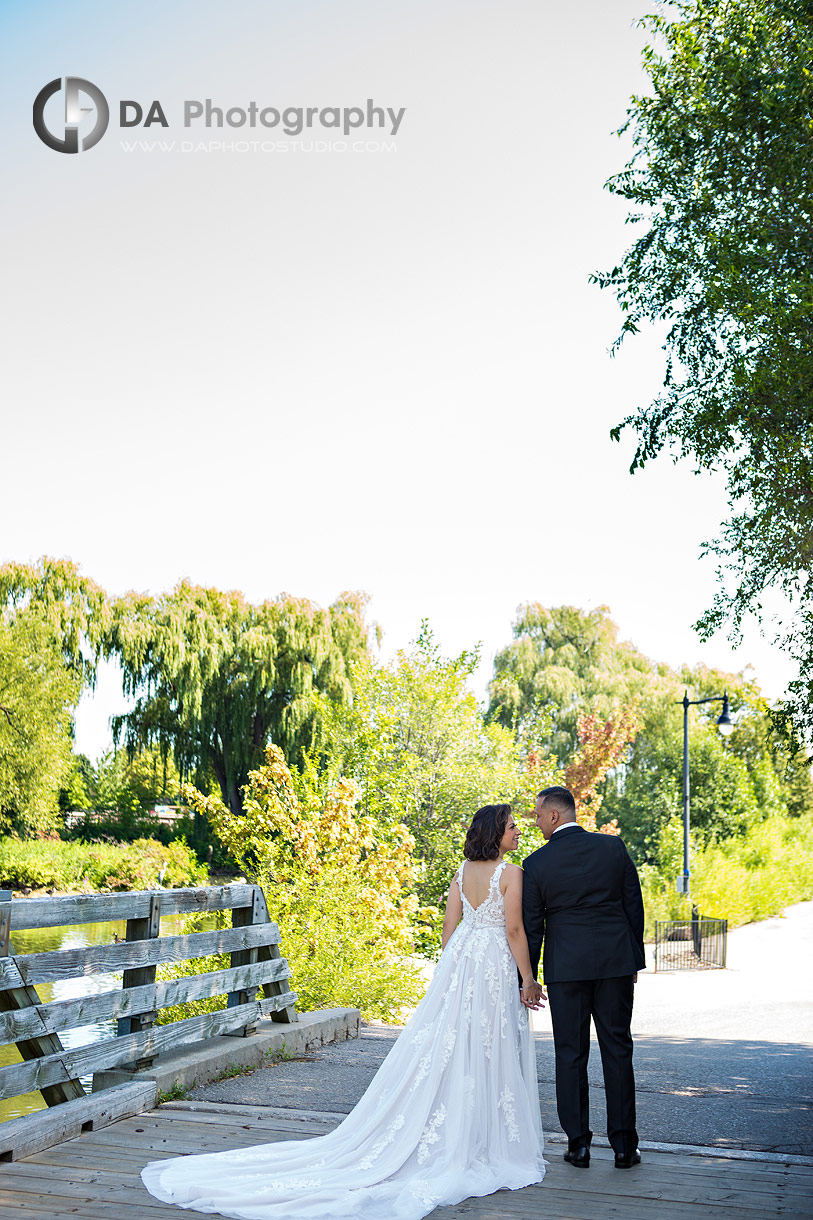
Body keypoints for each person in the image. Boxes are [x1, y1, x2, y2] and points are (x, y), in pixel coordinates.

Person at [142, 803, 547, 1220]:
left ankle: (464, 1131)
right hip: (492, 961)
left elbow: (449, 932)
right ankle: (481, 1137)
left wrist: (454, 972)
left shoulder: (461, 873)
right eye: (512, 826)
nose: (518, 831)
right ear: (495, 833)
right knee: (488, 1045)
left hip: (463, 961)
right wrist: (528, 979)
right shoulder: (511, 873)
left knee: (454, 1044)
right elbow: (514, 930)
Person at [521, 785, 646, 1171]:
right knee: (618, 1050)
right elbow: (633, 905)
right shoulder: (613, 848)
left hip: (567, 969)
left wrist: (528, 977)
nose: (536, 823)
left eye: (538, 815)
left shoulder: (536, 864)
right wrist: (633, 960)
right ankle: (624, 1147)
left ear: (554, 815)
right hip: (615, 963)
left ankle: (578, 1146)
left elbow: (533, 927)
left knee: (570, 1054)